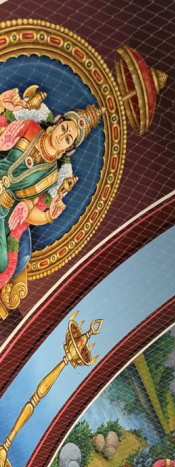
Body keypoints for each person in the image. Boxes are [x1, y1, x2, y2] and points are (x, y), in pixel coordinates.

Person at [0, 92, 102, 318]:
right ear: (57, 123)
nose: (62, 136)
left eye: (68, 139)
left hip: (3, 212)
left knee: (2, 261)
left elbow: (27, 212)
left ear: (68, 149)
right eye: (64, 128)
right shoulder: (29, 128)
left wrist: (48, 217)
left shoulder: (51, 177)